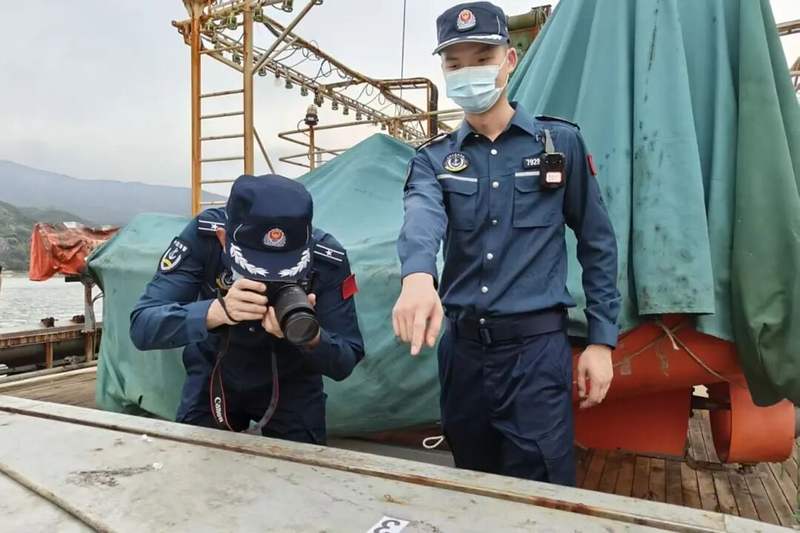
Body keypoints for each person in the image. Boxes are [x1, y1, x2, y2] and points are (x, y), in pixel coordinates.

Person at [393, 1, 620, 485]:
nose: (468, 73)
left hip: (535, 354)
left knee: (542, 485)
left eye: (482, 58)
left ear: (509, 60)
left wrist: (601, 341)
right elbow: (421, 216)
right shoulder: (434, 159)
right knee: (472, 482)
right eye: (455, 64)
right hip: (464, 355)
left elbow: (597, 242)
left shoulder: (560, 145)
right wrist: (416, 277)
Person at [131, 174, 364, 444]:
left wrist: (310, 337)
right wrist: (216, 312)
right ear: (223, 239)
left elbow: (347, 358)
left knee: (301, 467)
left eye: (284, 271)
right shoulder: (204, 237)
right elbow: (143, 326)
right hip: (214, 372)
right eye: (255, 268)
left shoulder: (327, 258)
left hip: (293, 380)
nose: (268, 282)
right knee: (195, 460)